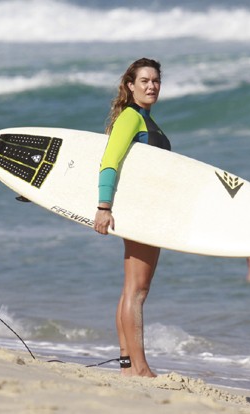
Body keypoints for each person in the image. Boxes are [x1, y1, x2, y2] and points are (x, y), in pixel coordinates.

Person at [93, 58, 170, 377]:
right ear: (130, 85)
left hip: (146, 209)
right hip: (139, 212)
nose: (151, 86)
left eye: (156, 81)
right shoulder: (130, 118)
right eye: (144, 81)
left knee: (132, 290)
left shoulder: (144, 119)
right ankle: (140, 366)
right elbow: (109, 162)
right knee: (137, 290)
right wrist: (103, 206)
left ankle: (127, 365)